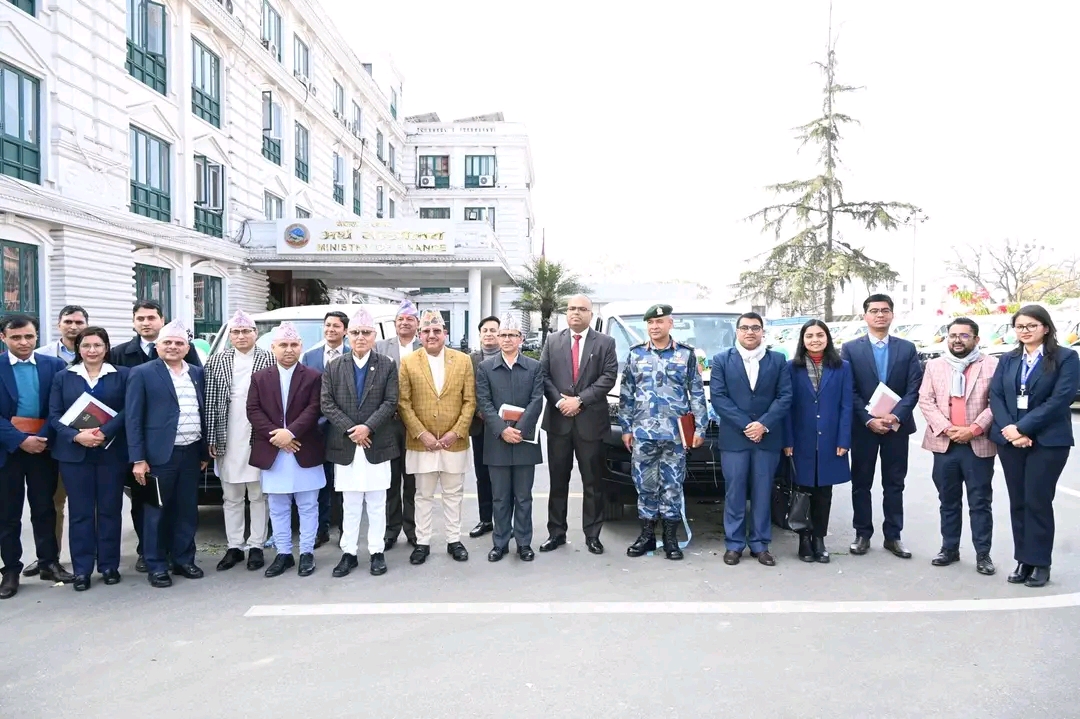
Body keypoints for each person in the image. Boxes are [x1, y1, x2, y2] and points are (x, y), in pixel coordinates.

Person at [989, 305, 1079, 588]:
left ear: (1046, 327)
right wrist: (1011, 430)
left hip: (1048, 441)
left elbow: (1061, 399)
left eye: (1031, 325)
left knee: (1037, 500)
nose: (1025, 331)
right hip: (1011, 440)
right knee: (1018, 501)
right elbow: (996, 395)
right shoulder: (1008, 358)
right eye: (1020, 326)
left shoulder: (1066, 357)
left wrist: (1023, 428)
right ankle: (1023, 560)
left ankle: (1040, 562)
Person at [110, 300, 202, 574]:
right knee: (155, 512)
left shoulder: (197, 373)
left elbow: (203, 411)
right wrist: (138, 458)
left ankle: (184, 560)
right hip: (159, 456)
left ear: (187, 347)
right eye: (168, 343)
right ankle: (156, 565)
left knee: (187, 510)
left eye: (179, 343)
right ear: (158, 347)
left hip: (191, 452)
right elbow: (133, 418)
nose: (173, 347)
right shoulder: (142, 373)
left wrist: (204, 452)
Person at [617, 304, 707, 561]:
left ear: (670, 323)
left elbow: (697, 392)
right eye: (650, 323)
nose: (654, 327)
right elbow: (626, 394)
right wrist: (626, 428)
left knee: (672, 486)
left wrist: (700, 427)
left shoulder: (686, 355)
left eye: (660, 322)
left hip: (675, 435)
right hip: (643, 432)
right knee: (644, 485)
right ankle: (646, 536)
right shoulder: (635, 354)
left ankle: (670, 539)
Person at [841, 294, 923, 559]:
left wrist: (895, 416)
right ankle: (862, 533)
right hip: (864, 427)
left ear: (892, 315)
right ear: (865, 316)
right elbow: (849, 389)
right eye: (874, 310)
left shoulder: (907, 348)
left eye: (885, 310)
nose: (880, 315)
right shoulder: (851, 349)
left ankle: (893, 536)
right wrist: (869, 419)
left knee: (894, 483)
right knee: (861, 483)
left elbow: (914, 387)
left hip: (896, 428)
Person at [47, 327, 129, 591]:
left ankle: (109, 566)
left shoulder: (122, 375)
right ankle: (82, 569)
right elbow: (54, 415)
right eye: (86, 345)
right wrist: (76, 436)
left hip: (111, 452)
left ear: (106, 347)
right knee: (80, 513)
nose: (92, 350)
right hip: (74, 455)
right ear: (78, 348)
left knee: (109, 510)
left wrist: (105, 432)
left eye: (97, 345)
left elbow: (129, 410)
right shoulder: (63, 377)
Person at [0, 315, 75, 600]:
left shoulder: (53, 366)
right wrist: (20, 440)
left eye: (29, 336)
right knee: (7, 514)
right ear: (3, 338)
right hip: (7, 451)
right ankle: (10, 570)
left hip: (43, 449)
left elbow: (59, 408)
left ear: (37, 336)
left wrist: (40, 438)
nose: (23, 342)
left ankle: (48, 563)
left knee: (44, 509)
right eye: (16, 337)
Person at [321, 309, 400, 578]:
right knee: (350, 503)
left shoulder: (387, 364)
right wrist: (352, 429)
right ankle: (349, 553)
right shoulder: (334, 366)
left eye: (366, 332)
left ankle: (377, 552)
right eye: (355, 332)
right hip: (346, 444)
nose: (360, 337)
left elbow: (391, 401)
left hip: (377, 442)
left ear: (374, 335)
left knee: (377, 502)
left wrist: (368, 427)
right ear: (347, 335)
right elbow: (327, 403)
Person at [917, 317, 998, 575]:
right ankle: (949, 548)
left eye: (964, 335)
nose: (957, 340)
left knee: (980, 502)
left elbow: (997, 402)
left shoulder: (992, 364)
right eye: (952, 335)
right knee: (948, 500)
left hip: (978, 443)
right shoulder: (935, 365)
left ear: (976, 339)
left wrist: (973, 429)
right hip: (945, 444)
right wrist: (947, 428)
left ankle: (983, 554)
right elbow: (926, 400)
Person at [711, 312, 792, 567]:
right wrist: (747, 425)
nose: (750, 332)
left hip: (767, 438)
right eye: (745, 328)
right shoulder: (721, 360)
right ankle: (734, 544)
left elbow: (785, 396)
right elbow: (718, 397)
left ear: (762, 332)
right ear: (737, 332)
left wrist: (763, 425)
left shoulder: (777, 360)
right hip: (735, 439)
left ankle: (760, 544)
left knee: (763, 492)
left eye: (755, 328)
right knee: (735, 492)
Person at [539, 295, 618, 555]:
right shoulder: (552, 341)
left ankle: (592, 535)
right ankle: (556, 533)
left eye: (582, 309)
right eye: (572, 308)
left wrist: (580, 401)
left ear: (590, 314)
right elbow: (544, 375)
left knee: (593, 483)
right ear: (566, 312)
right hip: (559, 422)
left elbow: (608, 377)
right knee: (557, 482)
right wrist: (560, 401)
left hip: (591, 424)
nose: (576, 312)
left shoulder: (605, 342)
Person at [397, 309, 476, 566]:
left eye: (437, 331)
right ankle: (422, 542)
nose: (432, 335)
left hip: (455, 441)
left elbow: (470, 401)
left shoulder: (463, 360)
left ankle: (454, 540)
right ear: (419, 335)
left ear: (445, 334)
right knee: (423, 495)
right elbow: (403, 402)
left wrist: (456, 432)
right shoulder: (409, 362)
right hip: (422, 443)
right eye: (427, 331)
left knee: (454, 494)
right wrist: (422, 434)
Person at [248, 322, 326, 578]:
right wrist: (278, 437)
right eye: (283, 345)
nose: (289, 349)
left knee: (308, 505)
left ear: (301, 347)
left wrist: (290, 433)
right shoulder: (260, 377)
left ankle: (306, 552)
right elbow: (253, 410)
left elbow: (314, 409)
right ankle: (283, 553)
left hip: (304, 447)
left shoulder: (313, 376)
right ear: (273, 347)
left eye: (293, 345)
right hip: (274, 451)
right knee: (278, 506)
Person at [204, 310, 275, 571]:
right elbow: (210, 400)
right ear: (230, 335)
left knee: (258, 494)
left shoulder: (270, 358)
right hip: (227, 431)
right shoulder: (216, 360)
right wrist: (212, 436)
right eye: (236, 332)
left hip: (259, 432)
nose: (241, 336)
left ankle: (256, 545)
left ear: (256, 333)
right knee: (231, 494)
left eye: (246, 331)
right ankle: (234, 546)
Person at [24, 305, 88, 579]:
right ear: (58, 324)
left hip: (90, 439)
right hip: (52, 440)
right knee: (52, 503)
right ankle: (49, 558)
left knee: (89, 503)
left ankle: (93, 555)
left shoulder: (95, 351)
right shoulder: (43, 356)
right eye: (68, 321)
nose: (73, 326)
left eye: (79, 322)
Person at [475, 314, 546, 562]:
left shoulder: (534, 367)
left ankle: (524, 543)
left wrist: (520, 430)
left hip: (525, 441)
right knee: (500, 497)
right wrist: (502, 430)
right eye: (503, 335)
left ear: (521, 339)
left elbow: (537, 401)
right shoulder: (485, 368)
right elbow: (483, 402)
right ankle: (500, 543)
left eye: (512, 335)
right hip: (497, 441)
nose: (506, 339)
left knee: (523, 497)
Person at [782, 320, 852, 564]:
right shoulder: (791, 368)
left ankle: (819, 539)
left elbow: (846, 405)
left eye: (819, 335)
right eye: (809, 336)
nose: (815, 340)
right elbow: (786, 406)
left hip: (830, 438)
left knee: (824, 492)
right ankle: (804, 539)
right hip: (801, 439)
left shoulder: (842, 367)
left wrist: (844, 439)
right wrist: (788, 440)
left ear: (827, 338)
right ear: (802, 340)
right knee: (802, 490)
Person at [375, 299, 422, 550]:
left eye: (409, 319)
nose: (404, 323)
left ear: (417, 324)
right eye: (400, 320)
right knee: (391, 480)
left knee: (413, 480)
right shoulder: (380, 347)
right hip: (389, 423)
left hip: (416, 424)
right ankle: (391, 529)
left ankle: (413, 529)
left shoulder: (425, 347)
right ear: (394, 324)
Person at [301, 310, 350, 549]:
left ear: (345, 331)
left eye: (336, 326)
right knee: (321, 483)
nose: (331, 329)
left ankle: (345, 531)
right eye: (328, 325)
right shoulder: (310, 357)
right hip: (317, 430)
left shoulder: (353, 354)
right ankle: (321, 530)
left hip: (345, 430)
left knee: (343, 485)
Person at [467, 315, 501, 539]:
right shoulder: (469, 360)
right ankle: (485, 519)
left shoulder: (507, 356)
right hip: (479, 424)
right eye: (485, 330)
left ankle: (504, 521)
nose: (489, 334)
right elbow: (467, 389)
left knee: (503, 476)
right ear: (479, 335)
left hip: (504, 426)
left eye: (493, 330)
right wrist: (481, 412)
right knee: (483, 474)